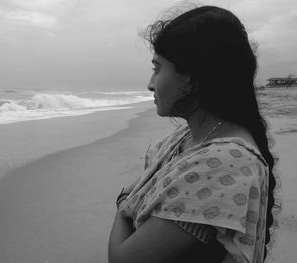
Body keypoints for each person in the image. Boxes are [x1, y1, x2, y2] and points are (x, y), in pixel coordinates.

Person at [108, 4, 280, 263]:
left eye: (157, 68)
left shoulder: (225, 162)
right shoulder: (187, 139)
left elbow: (121, 259)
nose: (150, 84)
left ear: (192, 79)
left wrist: (124, 204)